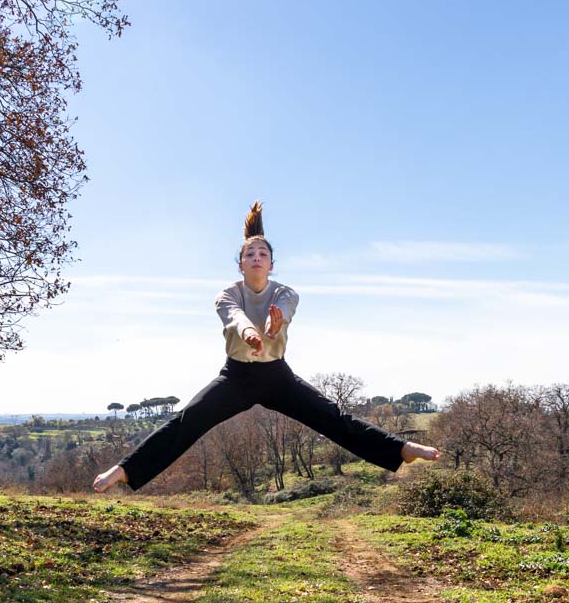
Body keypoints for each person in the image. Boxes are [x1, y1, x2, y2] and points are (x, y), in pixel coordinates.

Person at [92, 201, 439, 493]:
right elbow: (234, 317)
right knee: (187, 421)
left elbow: (284, 312)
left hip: (277, 376)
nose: (256, 257)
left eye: (263, 253)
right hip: (236, 376)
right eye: (250, 253)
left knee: (333, 418)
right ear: (240, 263)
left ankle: (402, 449)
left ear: (271, 263)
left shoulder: (286, 293)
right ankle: (125, 469)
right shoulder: (227, 294)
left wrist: (276, 323)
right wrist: (250, 333)